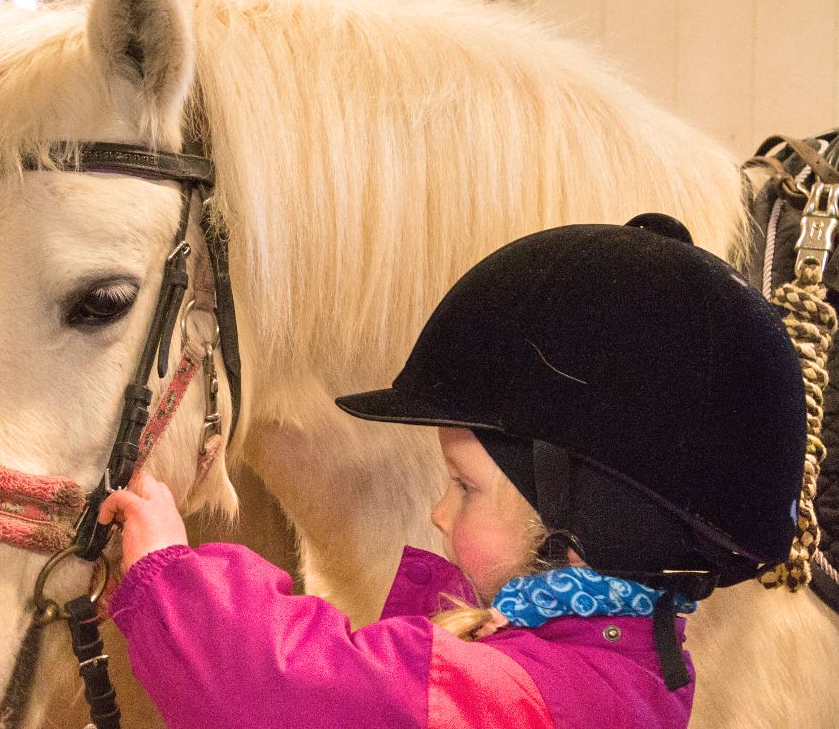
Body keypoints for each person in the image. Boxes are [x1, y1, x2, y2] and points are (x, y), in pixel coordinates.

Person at [100, 215, 807, 728]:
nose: (440, 514)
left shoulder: (523, 701)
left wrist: (170, 576)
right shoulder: (621, 673)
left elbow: (292, 688)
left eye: (466, 487)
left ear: (587, 518)